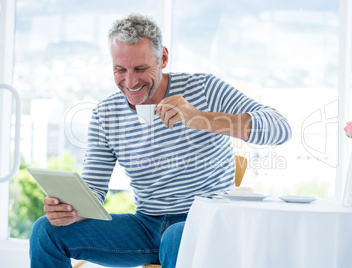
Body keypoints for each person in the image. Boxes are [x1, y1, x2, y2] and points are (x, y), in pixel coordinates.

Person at [30, 13, 292, 268]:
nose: (130, 81)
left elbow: (280, 128)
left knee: (175, 238)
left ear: (163, 58)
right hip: (145, 226)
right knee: (46, 230)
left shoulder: (204, 89)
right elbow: (94, 192)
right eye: (120, 69)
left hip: (205, 221)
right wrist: (69, 210)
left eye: (141, 68)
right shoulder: (106, 113)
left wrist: (202, 118)